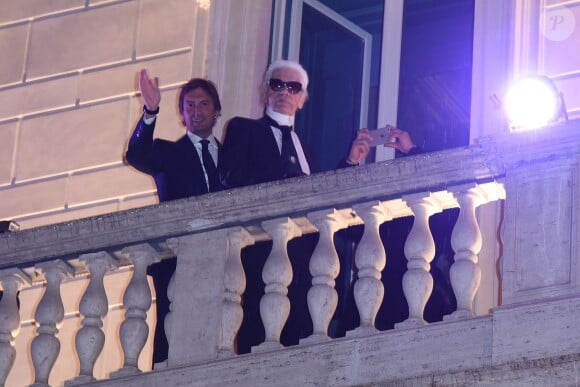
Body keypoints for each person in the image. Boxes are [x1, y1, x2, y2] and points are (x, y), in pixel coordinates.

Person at [219, 59, 419, 353]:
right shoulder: (242, 128)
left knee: (297, 342)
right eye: (277, 84)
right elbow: (230, 179)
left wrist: (351, 162)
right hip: (261, 257)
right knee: (257, 341)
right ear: (265, 91)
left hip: (305, 265)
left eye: (293, 87)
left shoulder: (304, 149)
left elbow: (321, 198)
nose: (284, 91)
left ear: (303, 99)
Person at [125, 69, 224, 364]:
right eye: (189, 105)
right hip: (179, 259)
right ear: (182, 114)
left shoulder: (233, 154)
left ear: (216, 111)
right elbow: (136, 154)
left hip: (225, 256)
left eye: (203, 104)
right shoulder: (167, 153)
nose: (196, 111)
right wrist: (150, 111)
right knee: (171, 340)